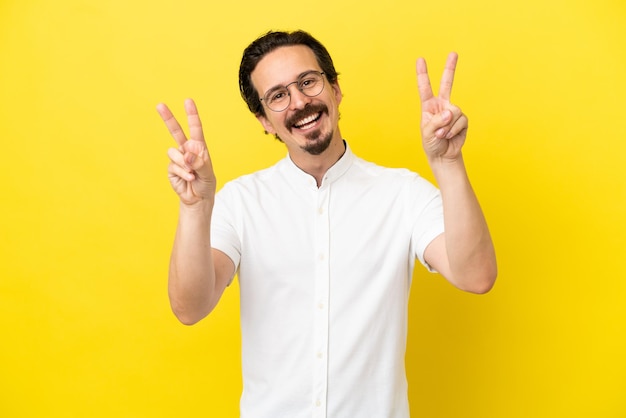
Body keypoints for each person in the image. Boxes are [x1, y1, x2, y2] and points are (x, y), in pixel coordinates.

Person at [157, 30, 496, 418]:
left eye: (308, 82)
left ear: (335, 89)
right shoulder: (240, 202)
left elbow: (476, 276)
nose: (300, 102)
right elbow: (190, 307)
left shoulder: (402, 194)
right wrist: (195, 208)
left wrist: (448, 164)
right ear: (264, 120)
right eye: (278, 95)